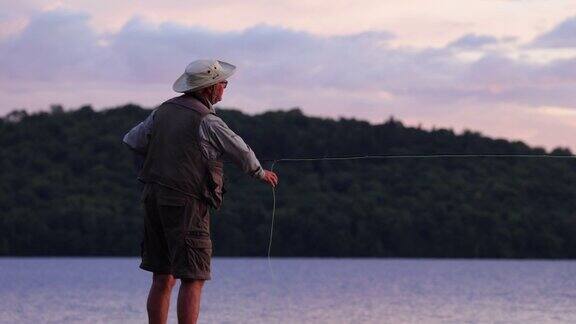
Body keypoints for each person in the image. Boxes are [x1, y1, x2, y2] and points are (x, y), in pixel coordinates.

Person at [123, 59, 278, 324]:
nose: (224, 89)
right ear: (208, 88)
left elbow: (132, 140)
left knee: (162, 275)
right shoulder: (207, 120)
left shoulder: (162, 111)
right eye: (223, 84)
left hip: (152, 198)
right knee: (193, 277)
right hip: (187, 204)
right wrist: (260, 173)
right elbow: (239, 149)